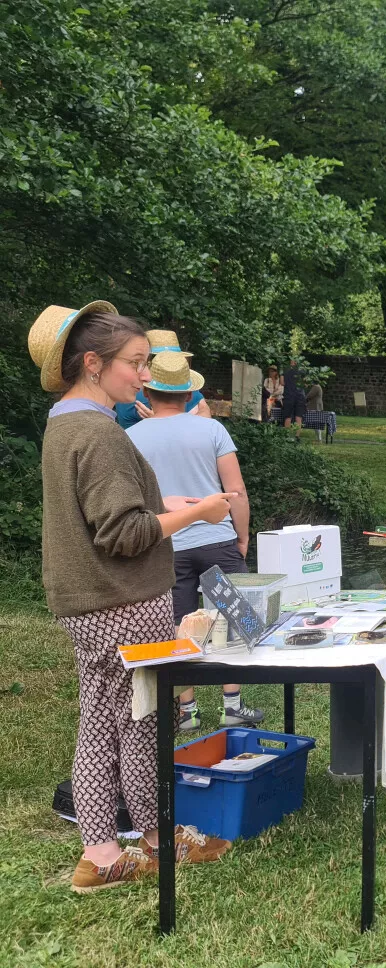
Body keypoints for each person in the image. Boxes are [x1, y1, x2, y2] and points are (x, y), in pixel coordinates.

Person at [28, 302, 235, 893]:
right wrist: (198, 510)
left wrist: (172, 506)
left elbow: (114, 509)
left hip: (87, 599)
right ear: (93, 364)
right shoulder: (98, 433)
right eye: (136, 363)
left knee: (102, 723)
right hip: (121, 600)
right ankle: (154, 839)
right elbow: (122, 532)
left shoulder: (64, 423)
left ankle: (104, 853)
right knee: (143, 718)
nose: (144, 376)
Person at [127, 352, 262, 731]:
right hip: (217, 540)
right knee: (236, 621)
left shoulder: (129, 438)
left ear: (148, 392)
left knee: (177, 628)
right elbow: (236, 491)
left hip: (166, 545)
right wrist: (242, 536)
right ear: (189, 395)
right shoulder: (212, 430)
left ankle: (186, 711)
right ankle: (232, 704)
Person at [113, 329, 210, 429]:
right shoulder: (140, 392)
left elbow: (205, 412)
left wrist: (159, 421)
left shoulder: (130, 386)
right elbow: (204, 420)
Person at [281, 358, 307, 438]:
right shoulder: (302, 371)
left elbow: (282, 383)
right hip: (300, 396)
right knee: (298, 417)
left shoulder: (284, 371)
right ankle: (297, 436)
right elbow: (306, 384)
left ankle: (287, 436)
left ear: (291, 363)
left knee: (288, 416)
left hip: (289, 395)